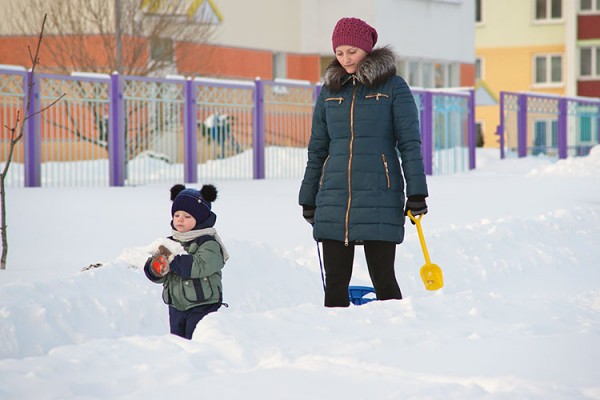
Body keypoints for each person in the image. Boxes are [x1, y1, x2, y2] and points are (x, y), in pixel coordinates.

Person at [298, 17, 429, 307]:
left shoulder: (394, 87)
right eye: (339, 52)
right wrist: (308, 196)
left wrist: (416, 192)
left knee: (383, 279)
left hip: (380, 194)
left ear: (367, 49)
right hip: (335, 197)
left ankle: (396, 339)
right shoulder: (330, 90)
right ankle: (334, 345)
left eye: (352, 51)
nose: (345, 59)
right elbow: (318, 148)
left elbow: (409, 144)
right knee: (334, 284)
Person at [144, 184, 229, 339]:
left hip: (202, 305)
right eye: (177, 215)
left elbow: (199, 266)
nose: (180, 219)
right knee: (178, 343)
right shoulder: (169, 243)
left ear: (200, 218)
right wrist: (155, 269)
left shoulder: (209, 243)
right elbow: (161, 274)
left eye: (187, 216)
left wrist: (172, 260)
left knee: (196, 340)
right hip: (176, 306)